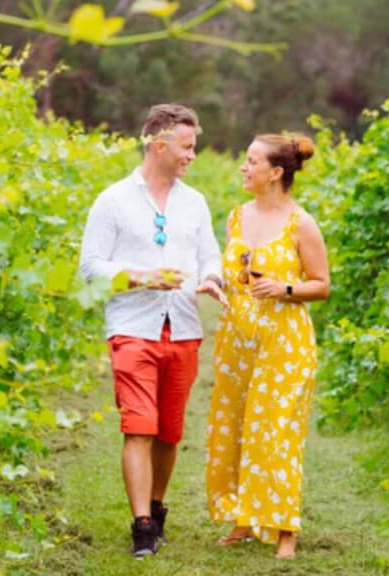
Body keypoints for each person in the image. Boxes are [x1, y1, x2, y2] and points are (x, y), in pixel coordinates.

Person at [79, 104, 225, 558]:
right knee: (138, 428)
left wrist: (213, 280)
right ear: (159, 145)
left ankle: (157, 507)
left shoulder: (195, 202)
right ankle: (142, 525)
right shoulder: (113, 200)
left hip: (181, 328)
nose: (192, 156)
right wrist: (141, 277)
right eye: (187, 147)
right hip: (132, 328)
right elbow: (90, 269)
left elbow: (210, 256)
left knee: (168, 433)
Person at [205, 133, 330, 559]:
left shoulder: (301, 222)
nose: (243, 167)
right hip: (237, 339)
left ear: (276, 173)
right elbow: (234, 271)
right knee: (237, 425)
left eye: (251, 161)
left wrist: (287, 287)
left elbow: (322, 285)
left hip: (284, 341)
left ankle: (285, 528)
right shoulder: (237, 217)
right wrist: (217, 284)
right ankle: (244, 516)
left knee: (277, 430)